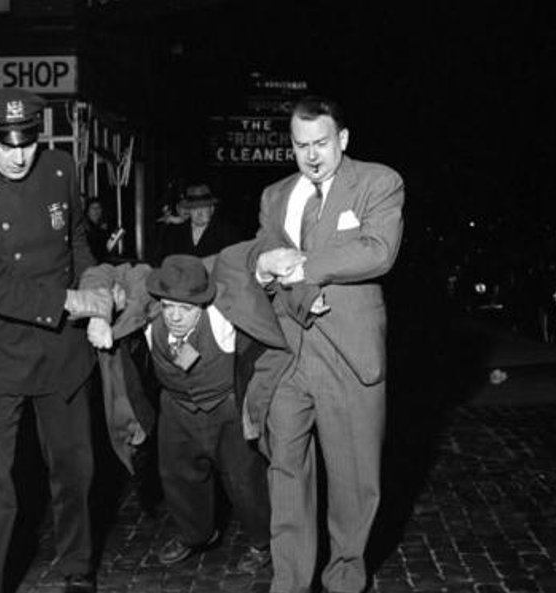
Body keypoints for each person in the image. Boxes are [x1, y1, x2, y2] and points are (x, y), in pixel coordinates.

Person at [0, 88, 111, 593]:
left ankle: (77, 570)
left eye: (27, 143)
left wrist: (96, 292)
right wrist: (70, 303)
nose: (18, 156)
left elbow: (76, 239)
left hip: (61, 349)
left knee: (75, 466)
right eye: (5, 144)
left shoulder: (59, 169)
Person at [252, 96, 405, 593]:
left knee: (353, 486)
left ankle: (344, 579)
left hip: (348, 356)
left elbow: (377, 252)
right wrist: (263, 262)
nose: (312, 155)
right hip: (289, 353)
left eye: (321, 143)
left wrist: (300, 266)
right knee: (286, 474)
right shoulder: (276, 195)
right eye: (301, 146)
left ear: (342, 139)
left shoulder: (379, 182)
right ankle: (289, 583)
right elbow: (262, 248)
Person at [83, 250, 291, 575]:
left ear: (203, 304)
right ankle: (196, 534)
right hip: (176, 408)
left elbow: (248, 267)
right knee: (178, 477)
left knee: (244, 480)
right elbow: (104, 271)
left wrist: (266, 265)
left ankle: (261, 541)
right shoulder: (150, 314)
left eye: (186, 308)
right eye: (169, 307)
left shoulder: (222, 316)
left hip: (226, 408)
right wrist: (98, 311)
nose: (175, 317)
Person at [156, 183, 242, 261]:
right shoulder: (174, 233)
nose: (199, 212)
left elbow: (234, 263)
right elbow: (163, 262)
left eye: (203, 207)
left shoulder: (227, 233)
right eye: (194, 208)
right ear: (189, 210)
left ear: (212, 209)